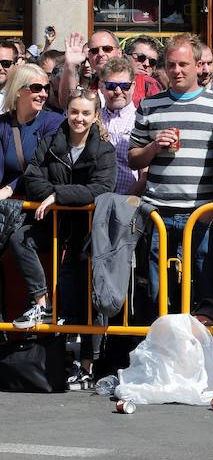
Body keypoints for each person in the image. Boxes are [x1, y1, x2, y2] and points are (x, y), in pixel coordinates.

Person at [10, 89, 116, 387]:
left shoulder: (104, 149)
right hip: (55, 224)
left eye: (85, 113)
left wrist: (59, 195)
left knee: (87, 295)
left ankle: (88, 365)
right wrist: (53, 198)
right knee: (21, 238)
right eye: (73, 112)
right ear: (66, 112)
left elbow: (101, 188)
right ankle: (41, 303)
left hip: (89, 229)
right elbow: (32, 177)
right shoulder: (51, 141)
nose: (78, 119)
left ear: (95, 116)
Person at [128, 33, 213, 315]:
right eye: (172, 64)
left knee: (202, 293)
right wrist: (152, 146)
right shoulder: (150, 105)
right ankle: (162, 352)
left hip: (201, 214)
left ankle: (199, 355)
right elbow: (133, 158)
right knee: (158, 295)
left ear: (199, 65)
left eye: (184, 64)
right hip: (158, 213)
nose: (177, 71)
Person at [0, 64, 65, 198]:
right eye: (36, 88)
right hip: (7, 208)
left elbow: (44, 169)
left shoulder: (55, 122)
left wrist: (10, 187)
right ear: (18, 90)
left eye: (46, 88)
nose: (43, 94)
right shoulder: (2, 124)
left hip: (40, 207)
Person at [61, 30, 160, 107]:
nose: (100, 54)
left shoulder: (146, 83)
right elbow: (66, 105)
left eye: (107, 49)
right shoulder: (90, 88)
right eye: (94, 51)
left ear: (119, 53)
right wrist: (70, 66)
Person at [99, 57, 145, 195]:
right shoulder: (93, 118)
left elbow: (145, 175)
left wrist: (124, 202)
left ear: (133, 86)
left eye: (124, 86)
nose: (118, 91)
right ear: (102, 87)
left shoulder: (141, 121)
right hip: (95, 204)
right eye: (111, 86)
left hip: (129, 203)